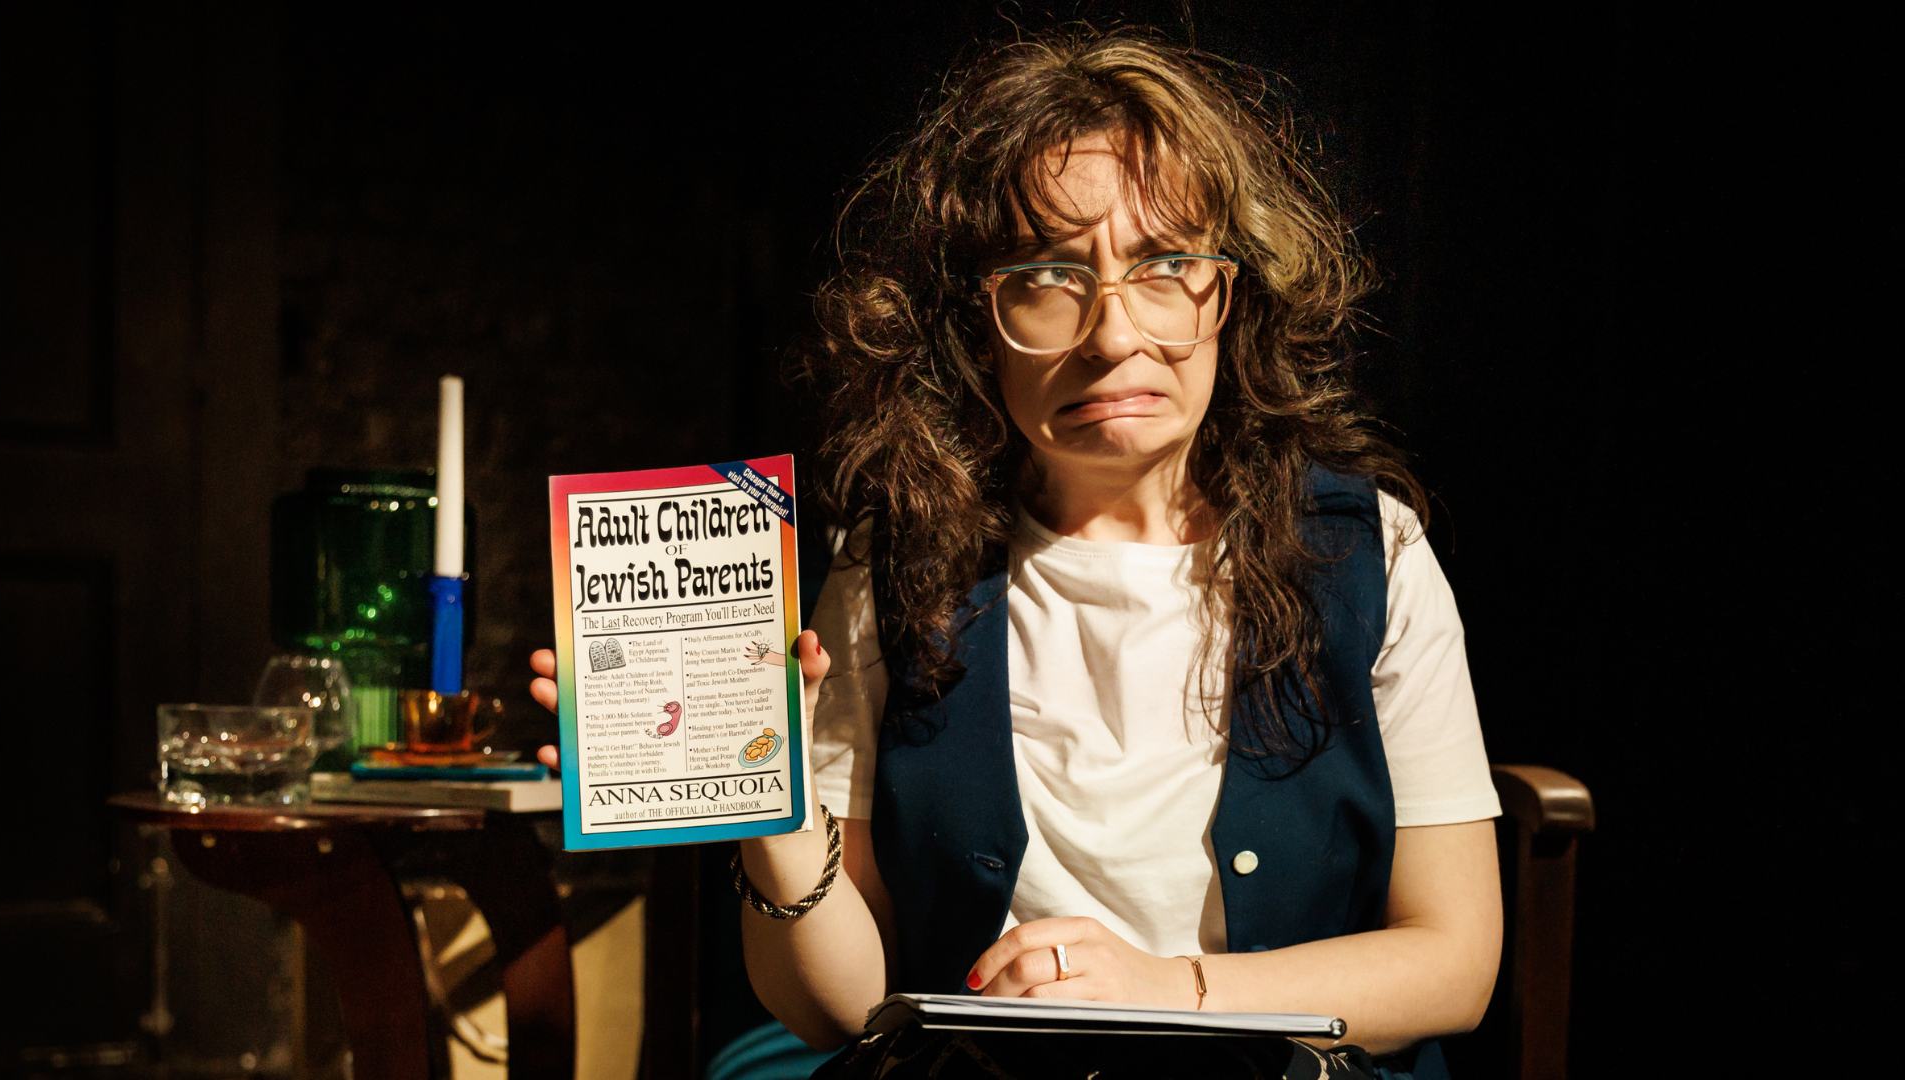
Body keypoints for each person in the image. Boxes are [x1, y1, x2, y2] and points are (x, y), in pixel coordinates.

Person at [537, 29, 1501, 1080]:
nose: (1112, 334)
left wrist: (1164, 993)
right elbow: (843, 1012)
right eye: (1048, 277)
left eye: (1166, 266)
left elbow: (1454, 963)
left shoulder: (1369, 556)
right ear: (974, 322)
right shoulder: (894, 566)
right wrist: (772, 809)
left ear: (1230, 293)